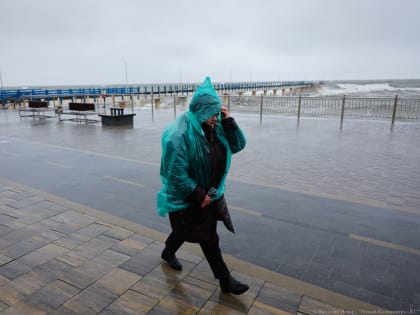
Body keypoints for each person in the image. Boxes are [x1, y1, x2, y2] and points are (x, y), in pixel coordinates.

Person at [157, 76, 249, 295]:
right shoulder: (179, 135)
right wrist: (199, 195)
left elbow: (238, 145)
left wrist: (229, 122)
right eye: (211, 114)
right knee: (208, 238)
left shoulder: (216, 128)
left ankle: (167, 252)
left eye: (217, 113)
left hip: (210, 194)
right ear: (199, 111)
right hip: (188, 197)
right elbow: (176, 173)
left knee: (185, 231)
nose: (214, 118)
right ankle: (225, 280)